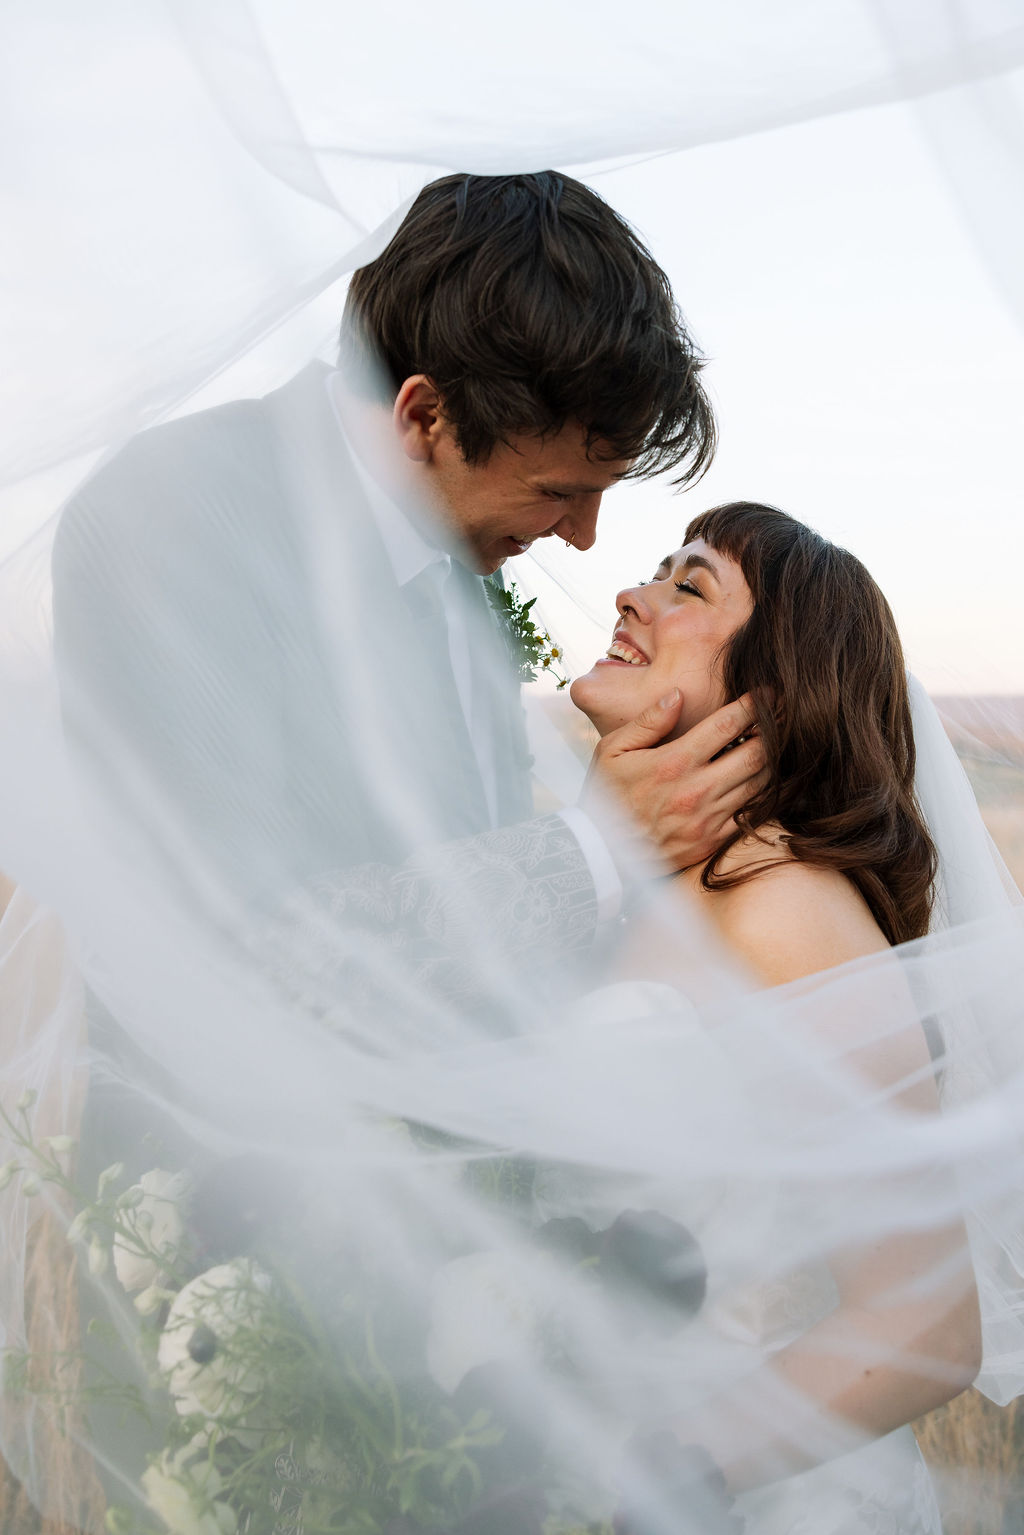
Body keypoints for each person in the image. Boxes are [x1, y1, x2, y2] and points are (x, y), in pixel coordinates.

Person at [570, 500, 984, 1534]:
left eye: (688, 585)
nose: (631, 595)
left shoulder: (785, 910)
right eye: (653, 571)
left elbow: (928, 1322)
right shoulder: (642, 879)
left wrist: (637, 1480)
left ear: (769, 693)